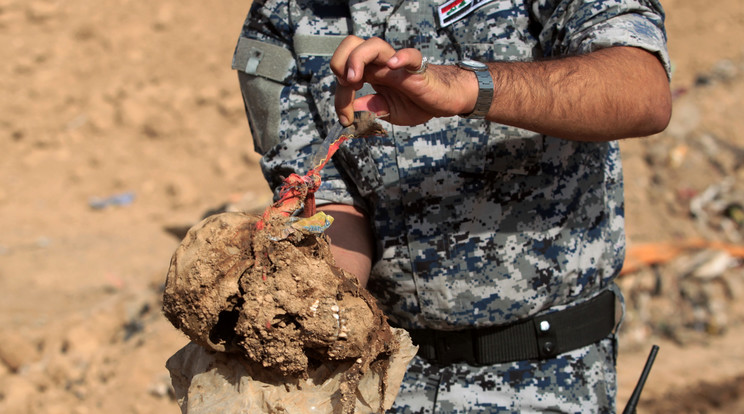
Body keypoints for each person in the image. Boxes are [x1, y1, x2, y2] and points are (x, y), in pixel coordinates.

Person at [232, 0, 672, 412]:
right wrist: (311, 305)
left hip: (548, 374)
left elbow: (643, 89)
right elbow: (329, 200)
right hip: (386, 382)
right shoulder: (283, 12)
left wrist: (466, 87)